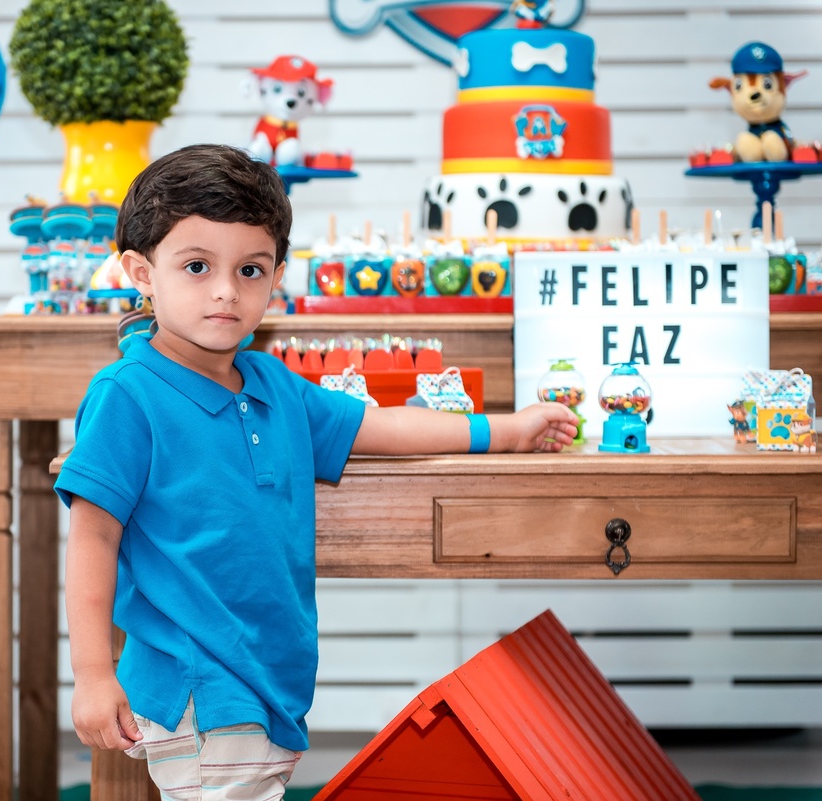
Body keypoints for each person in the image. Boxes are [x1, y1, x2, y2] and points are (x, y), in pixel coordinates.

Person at [54, 143, 578, 799]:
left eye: (250, 269)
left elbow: (381, 424)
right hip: (197, 682)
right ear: (140, 271)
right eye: (196, 266)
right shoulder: (128, 394)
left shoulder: (276, 383)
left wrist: (504, 429)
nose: (225, 291)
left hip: (271, 672)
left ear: (277, 277)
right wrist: (93, 673)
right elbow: (92, 539)